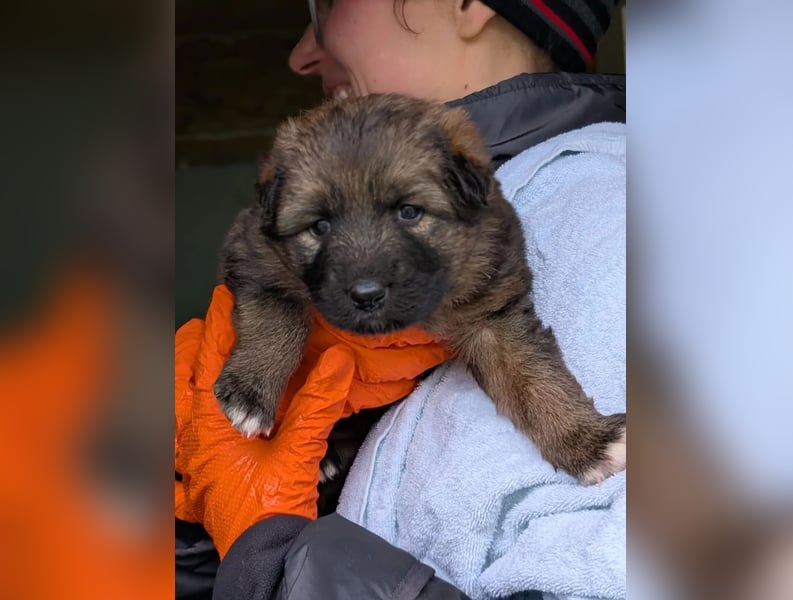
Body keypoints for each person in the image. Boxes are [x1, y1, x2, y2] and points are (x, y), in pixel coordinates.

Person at [175, 1, 626, 598]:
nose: (301, 52)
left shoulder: (607, 215)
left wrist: (272, 560)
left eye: (328, 3)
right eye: (320, 226)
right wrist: (192, 536)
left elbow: (500, 328)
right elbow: (255, 256)